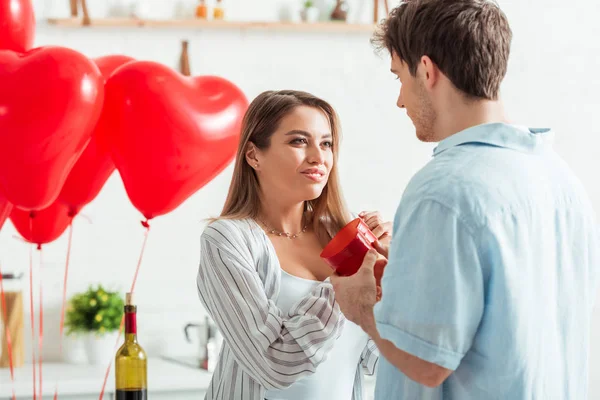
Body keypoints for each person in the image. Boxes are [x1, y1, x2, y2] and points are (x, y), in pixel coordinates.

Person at [331, 0, 600, 399]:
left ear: (426, 70)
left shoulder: (442, 192)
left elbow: (426, 362)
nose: (400, 101)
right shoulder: (561, 179)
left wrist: (359, 306)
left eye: (399, 79)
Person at [196, 89, 392, 400]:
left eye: (326, 143)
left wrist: (397, 272)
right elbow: (272, 363)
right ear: (253, 155)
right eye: (299, 141)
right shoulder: (228, 240)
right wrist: (345, 281)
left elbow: (386, 358)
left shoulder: (344, 232)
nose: (319, 157)